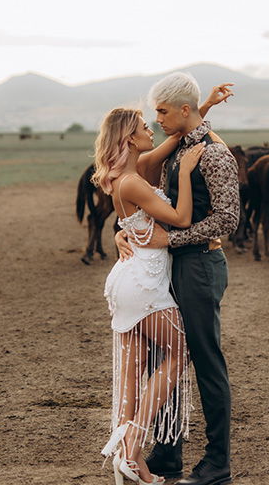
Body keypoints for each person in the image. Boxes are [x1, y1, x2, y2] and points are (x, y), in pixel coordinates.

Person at [116, 72, 240, 485]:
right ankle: (168, 454)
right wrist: (129, 232)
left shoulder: (215, 153)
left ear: (182, 110)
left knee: (206, 361)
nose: (158, 119)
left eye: (163, 111)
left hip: (202, 266)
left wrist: (170, 240)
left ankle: (217, 464)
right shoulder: (180, 148)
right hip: (175, 265)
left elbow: (228, 218)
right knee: (165, 358)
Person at [93, 108, 205, 485]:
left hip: (128, 280)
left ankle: (132, 464)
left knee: (131, 376)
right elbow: (182, 219)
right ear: (129, 139)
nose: (152, 131)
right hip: (144, 284)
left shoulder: (121, 175)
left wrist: (200, 108)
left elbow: (173, 138)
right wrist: (186, 173)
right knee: (179, 352)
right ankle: (133, 438)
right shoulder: (132, 181)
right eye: (144, 128)